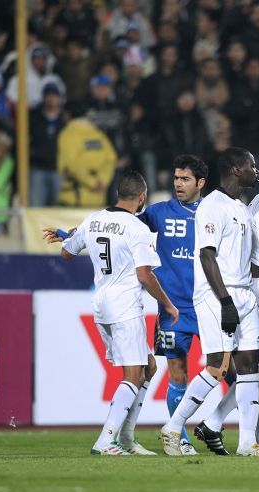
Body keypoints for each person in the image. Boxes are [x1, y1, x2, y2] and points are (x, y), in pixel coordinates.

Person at [48, 171, 179, 455]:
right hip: (125, 305)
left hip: (101, 304)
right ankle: (106, 440)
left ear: (118, 193)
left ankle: (127, 438)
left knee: (148, 367)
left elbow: (67, 253)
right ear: (142, 197)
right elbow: (144, 274)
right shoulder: (137, 228)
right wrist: (168, 304)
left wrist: (69, 236)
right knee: (133, 374)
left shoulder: (93, 219)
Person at [159, 147, 259, 457]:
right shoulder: (212, 205)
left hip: (244, 293)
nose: (256, 171)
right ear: (237, 169)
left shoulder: (242, 208)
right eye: (251, 165)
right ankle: (173, 427)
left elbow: (236, 260)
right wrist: (225, 302)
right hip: (216, 296)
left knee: (249, 367)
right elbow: (207, 256)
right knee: (216, 366)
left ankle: (247, 443)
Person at [194, 157, 259, 456]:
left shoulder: (246, 205)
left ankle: (220, 426)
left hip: (256, 290)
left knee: (256, 368)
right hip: (256, 295)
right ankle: (251, 436)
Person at [136, 154, 209, 456]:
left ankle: (220, 426)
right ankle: (179, 438)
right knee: (178, 374)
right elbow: (121, 224)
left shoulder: (213, 212)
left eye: (185, 179)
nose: (178, 184)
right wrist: (76, 234)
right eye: (177, 178)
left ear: (200, 183)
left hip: (209, 305)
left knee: (231, 370)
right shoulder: (158, 212)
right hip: (173, 309)